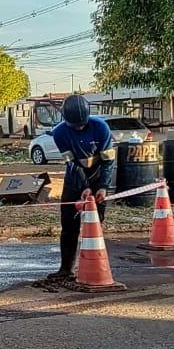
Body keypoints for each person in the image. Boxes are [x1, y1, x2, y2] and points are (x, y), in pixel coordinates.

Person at [48, 95, 116, 280]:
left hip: (98, 176)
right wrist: (83, 187)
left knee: (95, 223)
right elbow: (71, 163)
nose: (79, 127)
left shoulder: (101, 128)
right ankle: (65, 268)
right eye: (74, 125)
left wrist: (102, 186)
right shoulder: (59, 133)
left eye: (82, 124)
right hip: (74, 179)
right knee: (69, 224)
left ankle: (95, 267)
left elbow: (108, 161)